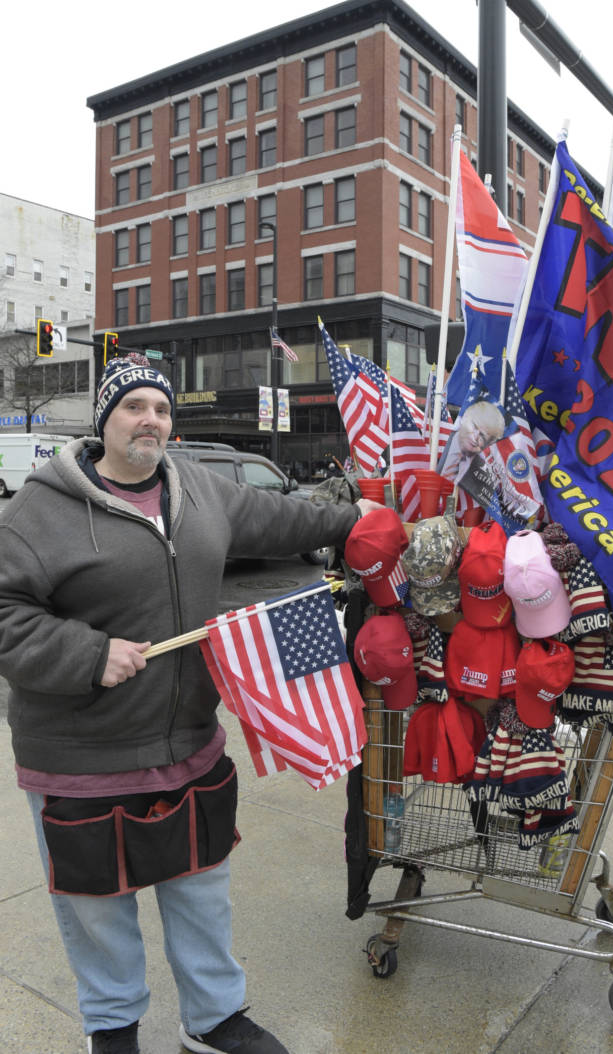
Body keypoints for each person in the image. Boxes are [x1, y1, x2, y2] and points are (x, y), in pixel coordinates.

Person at [0, 353, 383, 1054]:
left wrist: (352, 518)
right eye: (133, 407)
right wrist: (88, 654)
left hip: (188, 740)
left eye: (161, 408)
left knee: (201, 890)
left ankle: (213, 1018)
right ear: (104, 420)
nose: (149, 420)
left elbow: (283, 519)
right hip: (81, 755)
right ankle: (112, 1027)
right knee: (97, 907)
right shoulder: (38, 510)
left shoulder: (201, 489)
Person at [438, 397, 506, 482]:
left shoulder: (486, 473)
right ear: (464, 420)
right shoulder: (449, 444)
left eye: (482, 436)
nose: (475, 437)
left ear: (490, 443)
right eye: (474, 427)